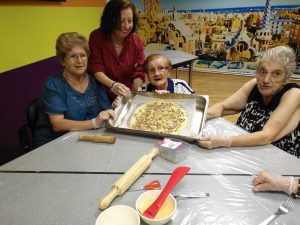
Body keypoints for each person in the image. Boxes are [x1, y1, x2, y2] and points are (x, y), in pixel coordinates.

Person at [198, 46, 300, 157]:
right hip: (243, 149)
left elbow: (267, 136)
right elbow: (224, 107)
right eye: (262, 71)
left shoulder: (294, 94)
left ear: (286, 78)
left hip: (277, 158)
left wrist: (224, 141)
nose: (266, 80)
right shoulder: (254, 85)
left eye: (276, 74)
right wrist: (198, 119)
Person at [33, 32, 115, 148]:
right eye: (73, 56)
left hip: (85, 141)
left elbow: (105, 110)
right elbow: (58, 124)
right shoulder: (53, 84)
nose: (79, 61)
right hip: (54, 144)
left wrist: (113, 108)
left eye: (83, 55)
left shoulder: (95, 79)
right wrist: (93, 123)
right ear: (62, 61)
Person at [88, 0, 145, 102]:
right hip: (101, 95)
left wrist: (137, 88)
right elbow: (97, 69)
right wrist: (114, 85)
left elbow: (139, 70)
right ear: (110, 20)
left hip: (127, 96)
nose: (127, 26)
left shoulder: (136, 41)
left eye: (130, 21)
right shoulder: (96, 37)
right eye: (121, 21)